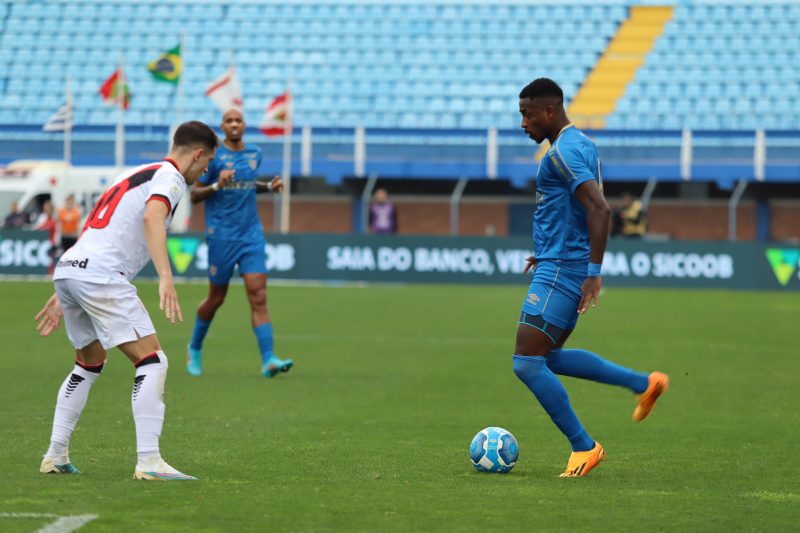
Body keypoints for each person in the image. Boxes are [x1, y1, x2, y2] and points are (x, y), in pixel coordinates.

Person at [34, 121, 218, 480]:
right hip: (101, 274)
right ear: (198, 154)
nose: (205, 170)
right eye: (207, 162)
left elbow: (96, 227)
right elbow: (153, 216)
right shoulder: (171, 177)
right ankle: (149, 461)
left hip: (72, 267)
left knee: (88, 363)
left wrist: (64, 287)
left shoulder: (134, 172)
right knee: (152, 361)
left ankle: (55, 454)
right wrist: (166, 276)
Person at [513, 78, 669, 478]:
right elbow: (574, 209)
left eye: (528, 115)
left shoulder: (561, 154)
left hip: (563, 270)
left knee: (527, 363)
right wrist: (548, 250)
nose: (523, 124)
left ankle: (584, 446)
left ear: (549, 111)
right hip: (561, 261)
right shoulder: (580, 143)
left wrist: (593, 273)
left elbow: (600, 210)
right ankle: (642, 383)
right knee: (548, 358)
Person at [186, 108, 292, 378]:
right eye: (229, 121)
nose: (234, 124)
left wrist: (269, 187)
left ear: (244, 125)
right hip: (221, 236)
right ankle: (194, 347)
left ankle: (269, 360)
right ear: (222, 126)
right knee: (216, 299)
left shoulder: (255, 153)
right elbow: (194, 196)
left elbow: (246, 184)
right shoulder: (213, 156)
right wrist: (217, 185)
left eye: (238, 120)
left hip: (251, 235)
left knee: (258, 295)